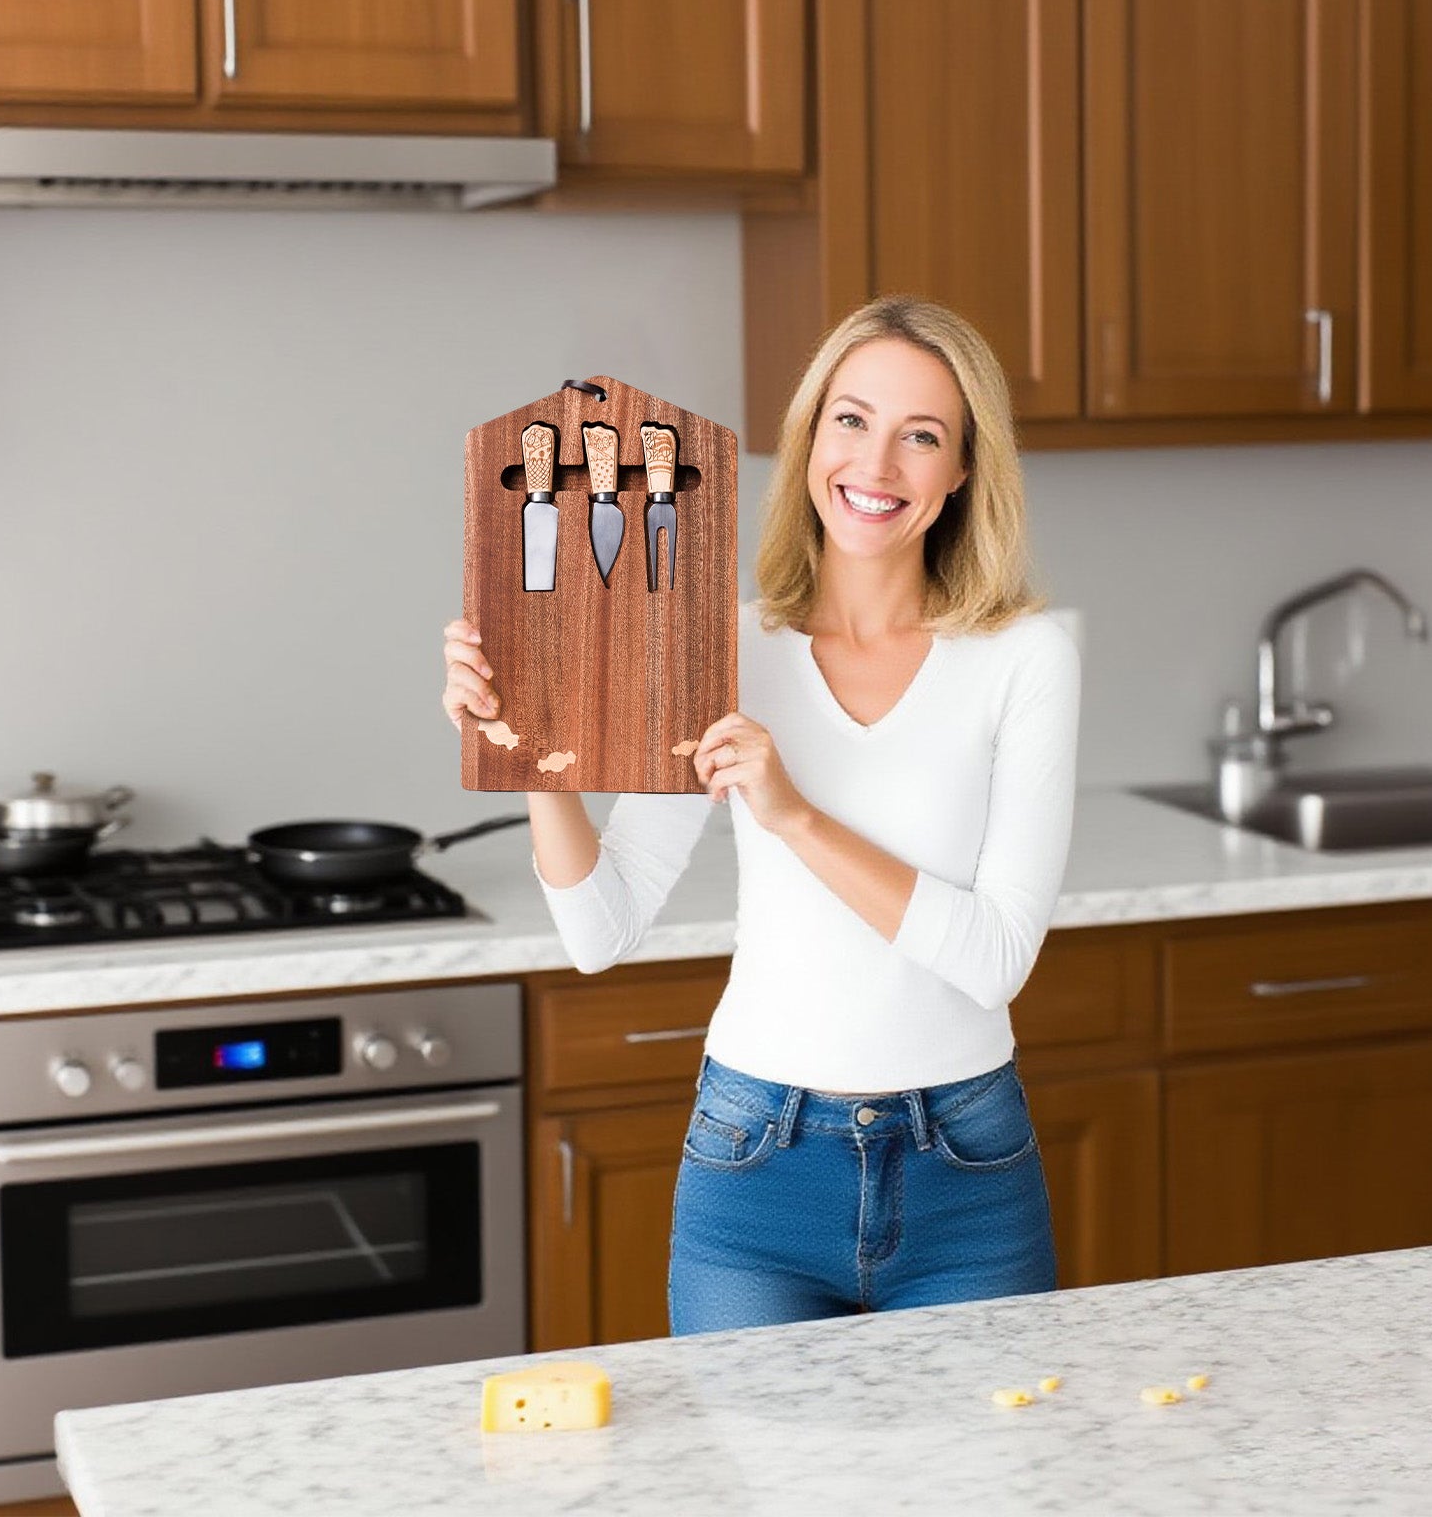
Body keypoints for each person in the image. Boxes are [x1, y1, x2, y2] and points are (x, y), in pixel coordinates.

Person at [443, 296, 1080, 1335]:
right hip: (755, 1165)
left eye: (921, 435)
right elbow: (601, 929)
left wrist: (794, 815)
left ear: (964, 469)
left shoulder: (1024, 658)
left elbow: (995, 957)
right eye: (851, 419)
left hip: (966, 1172)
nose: (876, 463)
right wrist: (525, 742)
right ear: (810, 436)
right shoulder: (722, 649)